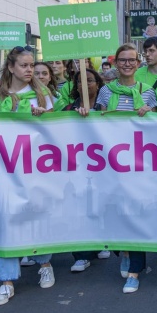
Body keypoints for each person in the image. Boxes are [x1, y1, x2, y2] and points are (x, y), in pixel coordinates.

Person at [0, 46, 56, 306]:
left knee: (36, 216)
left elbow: (57, 128)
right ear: (12, 67)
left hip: (37, 168)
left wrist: (45, 116)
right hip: (5, 169)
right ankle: (6, 281)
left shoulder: (42, 94)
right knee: (6, 220)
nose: (29, 70)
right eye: (24, 66)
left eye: (31, 65)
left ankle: (44, 263)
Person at [93, 45, 157, 293]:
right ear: (116, 63)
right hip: (111, 163)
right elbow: (98, 125)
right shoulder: (104, 91)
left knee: (137, 214)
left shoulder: (149, 92)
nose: (128, 64)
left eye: (132, 60)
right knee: (117, 212)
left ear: (139, 63)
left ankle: (135, 271)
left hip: (139, 163)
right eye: (123, 60)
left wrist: (149, 114)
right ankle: (125, 251)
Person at [64, 68, 107, 273]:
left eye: (89, 80)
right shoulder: (66, 109)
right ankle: (81, 254)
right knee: (78, 208)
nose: (85, 84)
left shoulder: (105, 107)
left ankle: (99, 244)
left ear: (97, 84)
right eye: (80, 81)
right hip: (76, 165)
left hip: (102, 165)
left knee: (98, 205)